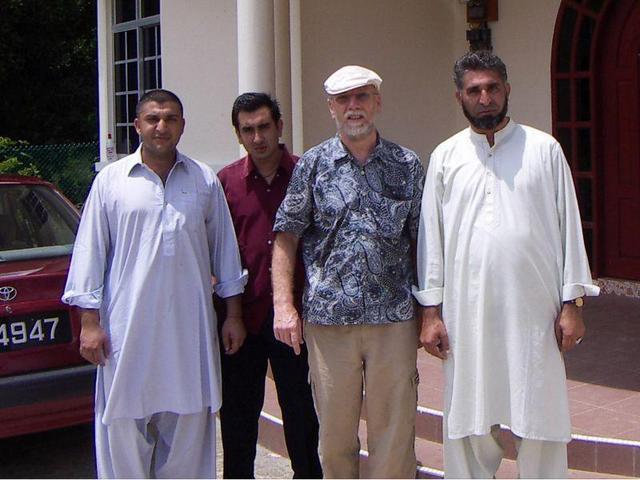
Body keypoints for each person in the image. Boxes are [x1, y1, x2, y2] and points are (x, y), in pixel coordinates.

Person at [414, 51, 600, 478]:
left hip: (534, 311)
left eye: (492, 88)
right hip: (467, 313)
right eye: (474, 90)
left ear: (507, 90)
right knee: (470, 412)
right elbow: (432, 242)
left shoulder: (544, 149)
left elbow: (569, 226)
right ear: (459, 96)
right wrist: (430, 312)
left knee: (538, 408)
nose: (485, 98)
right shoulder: (445, 157)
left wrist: (572, 304)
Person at [62, 89, 247, 479]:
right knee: (123, 433)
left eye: (170, 119)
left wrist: (233, 315)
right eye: (153, 118)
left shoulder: (202, 181)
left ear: (182, 125)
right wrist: (90, 323)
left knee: (188, 433)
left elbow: (226, 253)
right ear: (137, 125)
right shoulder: (112, 182)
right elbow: (90, 253)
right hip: (127, 332)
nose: (161, 126)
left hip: (188, 332)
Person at [272, 65, 424, 478]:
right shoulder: (313, 166)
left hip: (393, 322)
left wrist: (431, 312)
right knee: (335, 439)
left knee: (394, 435)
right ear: (331, 108)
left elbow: (423, 244)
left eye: (362, 97)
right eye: (344, 99)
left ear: (378, 102)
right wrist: (283, 306)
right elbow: (286, 235)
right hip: (328, 323)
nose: (353, 107)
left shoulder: (406, 165)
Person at [215, 92, 322, 479]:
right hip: (241, 317)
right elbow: (219, 253)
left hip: (296, 318)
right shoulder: (225, 183)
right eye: (248, 130)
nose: (257, 138)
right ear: (238, 135)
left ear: (280, 127)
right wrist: (232, 314)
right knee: (239, 418)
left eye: (264, 127)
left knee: (301, 416)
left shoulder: (308, 174)